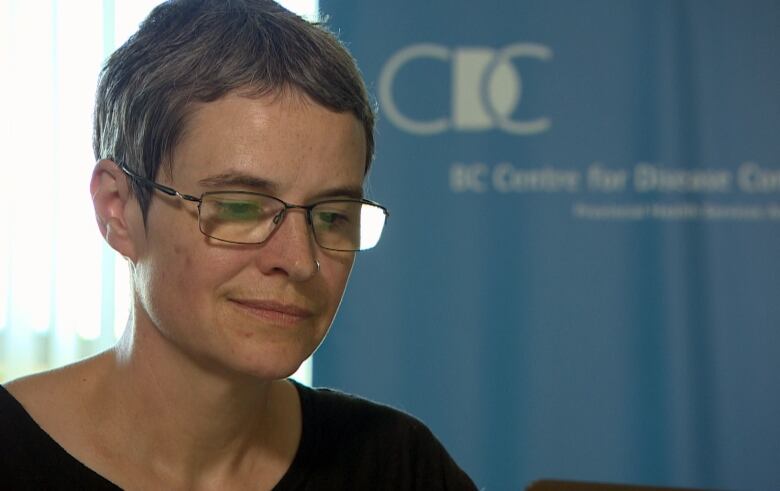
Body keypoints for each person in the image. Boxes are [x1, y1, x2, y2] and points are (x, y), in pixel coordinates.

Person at [0, 0, 477, 489]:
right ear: (117, 209)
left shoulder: (397, 467)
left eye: (333, 216)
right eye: (242, 207)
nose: (298, 260)